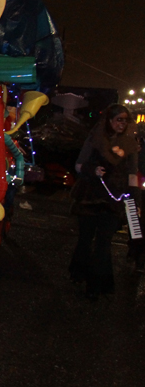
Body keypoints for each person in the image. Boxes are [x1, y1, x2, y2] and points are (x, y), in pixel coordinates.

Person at [69, 104, 140, 299]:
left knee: (104, 242)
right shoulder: (96, 138)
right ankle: (79, 271)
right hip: (90, 196)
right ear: (109, 121)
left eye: (125, 120)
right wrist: (93, 170)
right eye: (119, 119)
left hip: (114, 198)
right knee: (85, 239)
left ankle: (98, 284)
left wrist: (135, 200)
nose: (122, 124)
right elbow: (79, 164)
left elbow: (132, 174)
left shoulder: (129, 143)